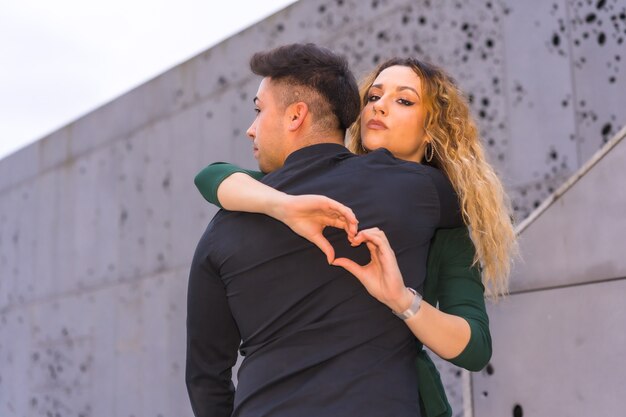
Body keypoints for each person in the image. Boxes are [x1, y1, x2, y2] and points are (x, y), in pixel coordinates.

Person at [193, 56, 518, 417]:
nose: (379, 107)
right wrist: (284, 205)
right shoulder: (321, 189)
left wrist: (403, 302)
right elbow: (213, 176)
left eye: (403, 100)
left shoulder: (440, 206)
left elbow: (474, 347)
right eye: (374, 97)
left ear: (432, 129)